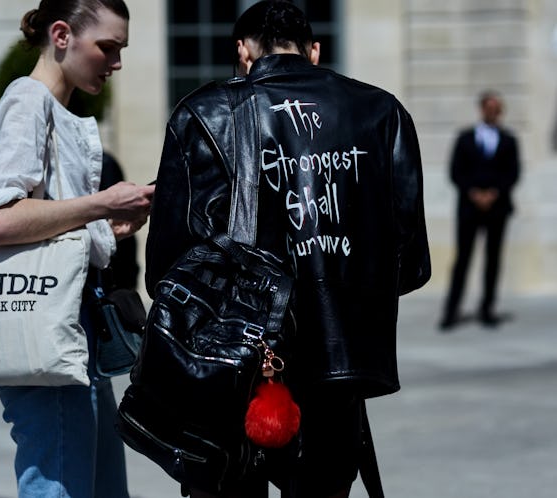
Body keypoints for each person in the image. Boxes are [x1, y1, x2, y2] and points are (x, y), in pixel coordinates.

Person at [144, 2, 431, 497]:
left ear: (242, 51)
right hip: (336, 366)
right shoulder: (382, 112)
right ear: (314, 51)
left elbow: (166, 268)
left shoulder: (202, 112)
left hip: (229, 367)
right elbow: (412, 263)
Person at [0, 1, 154, 496]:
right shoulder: (29, 102)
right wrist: (101, 203)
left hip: (70, 331)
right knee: (60, 485)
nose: (116, 63)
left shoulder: (51, 108)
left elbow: (45, 224)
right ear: (61, 35)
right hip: (45, 334)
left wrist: (108, 225)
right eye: (107, 47)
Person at [439, 90, 520, 330]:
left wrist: (494, 192)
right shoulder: (465, 138)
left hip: (497, 208)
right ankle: (451, 311)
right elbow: (455, 171)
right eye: (488, 107)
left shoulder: (508, 140)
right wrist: (473, 192)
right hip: (469, 207)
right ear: (481, 109)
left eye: (496, 108)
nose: (492, 112)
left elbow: (512, 173)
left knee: (493, 260)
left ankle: (487, 309)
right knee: (462, 259)